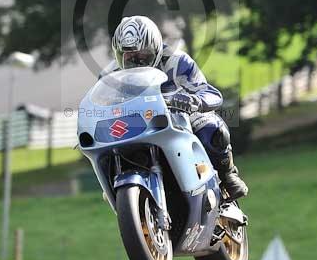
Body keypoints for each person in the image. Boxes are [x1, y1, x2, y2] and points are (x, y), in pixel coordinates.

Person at [103, 15, 248, 200]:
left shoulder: (177, 60)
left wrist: (193, 101)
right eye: (129, 57)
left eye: (142, 56)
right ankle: (115, 184)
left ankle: (229, 176)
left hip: (179, 119)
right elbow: (100, 102)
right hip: (136, 124)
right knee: (107, 143)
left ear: (155, 48)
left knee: (212, 127)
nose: (136, 64)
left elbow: (210, 92)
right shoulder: (110, 74)